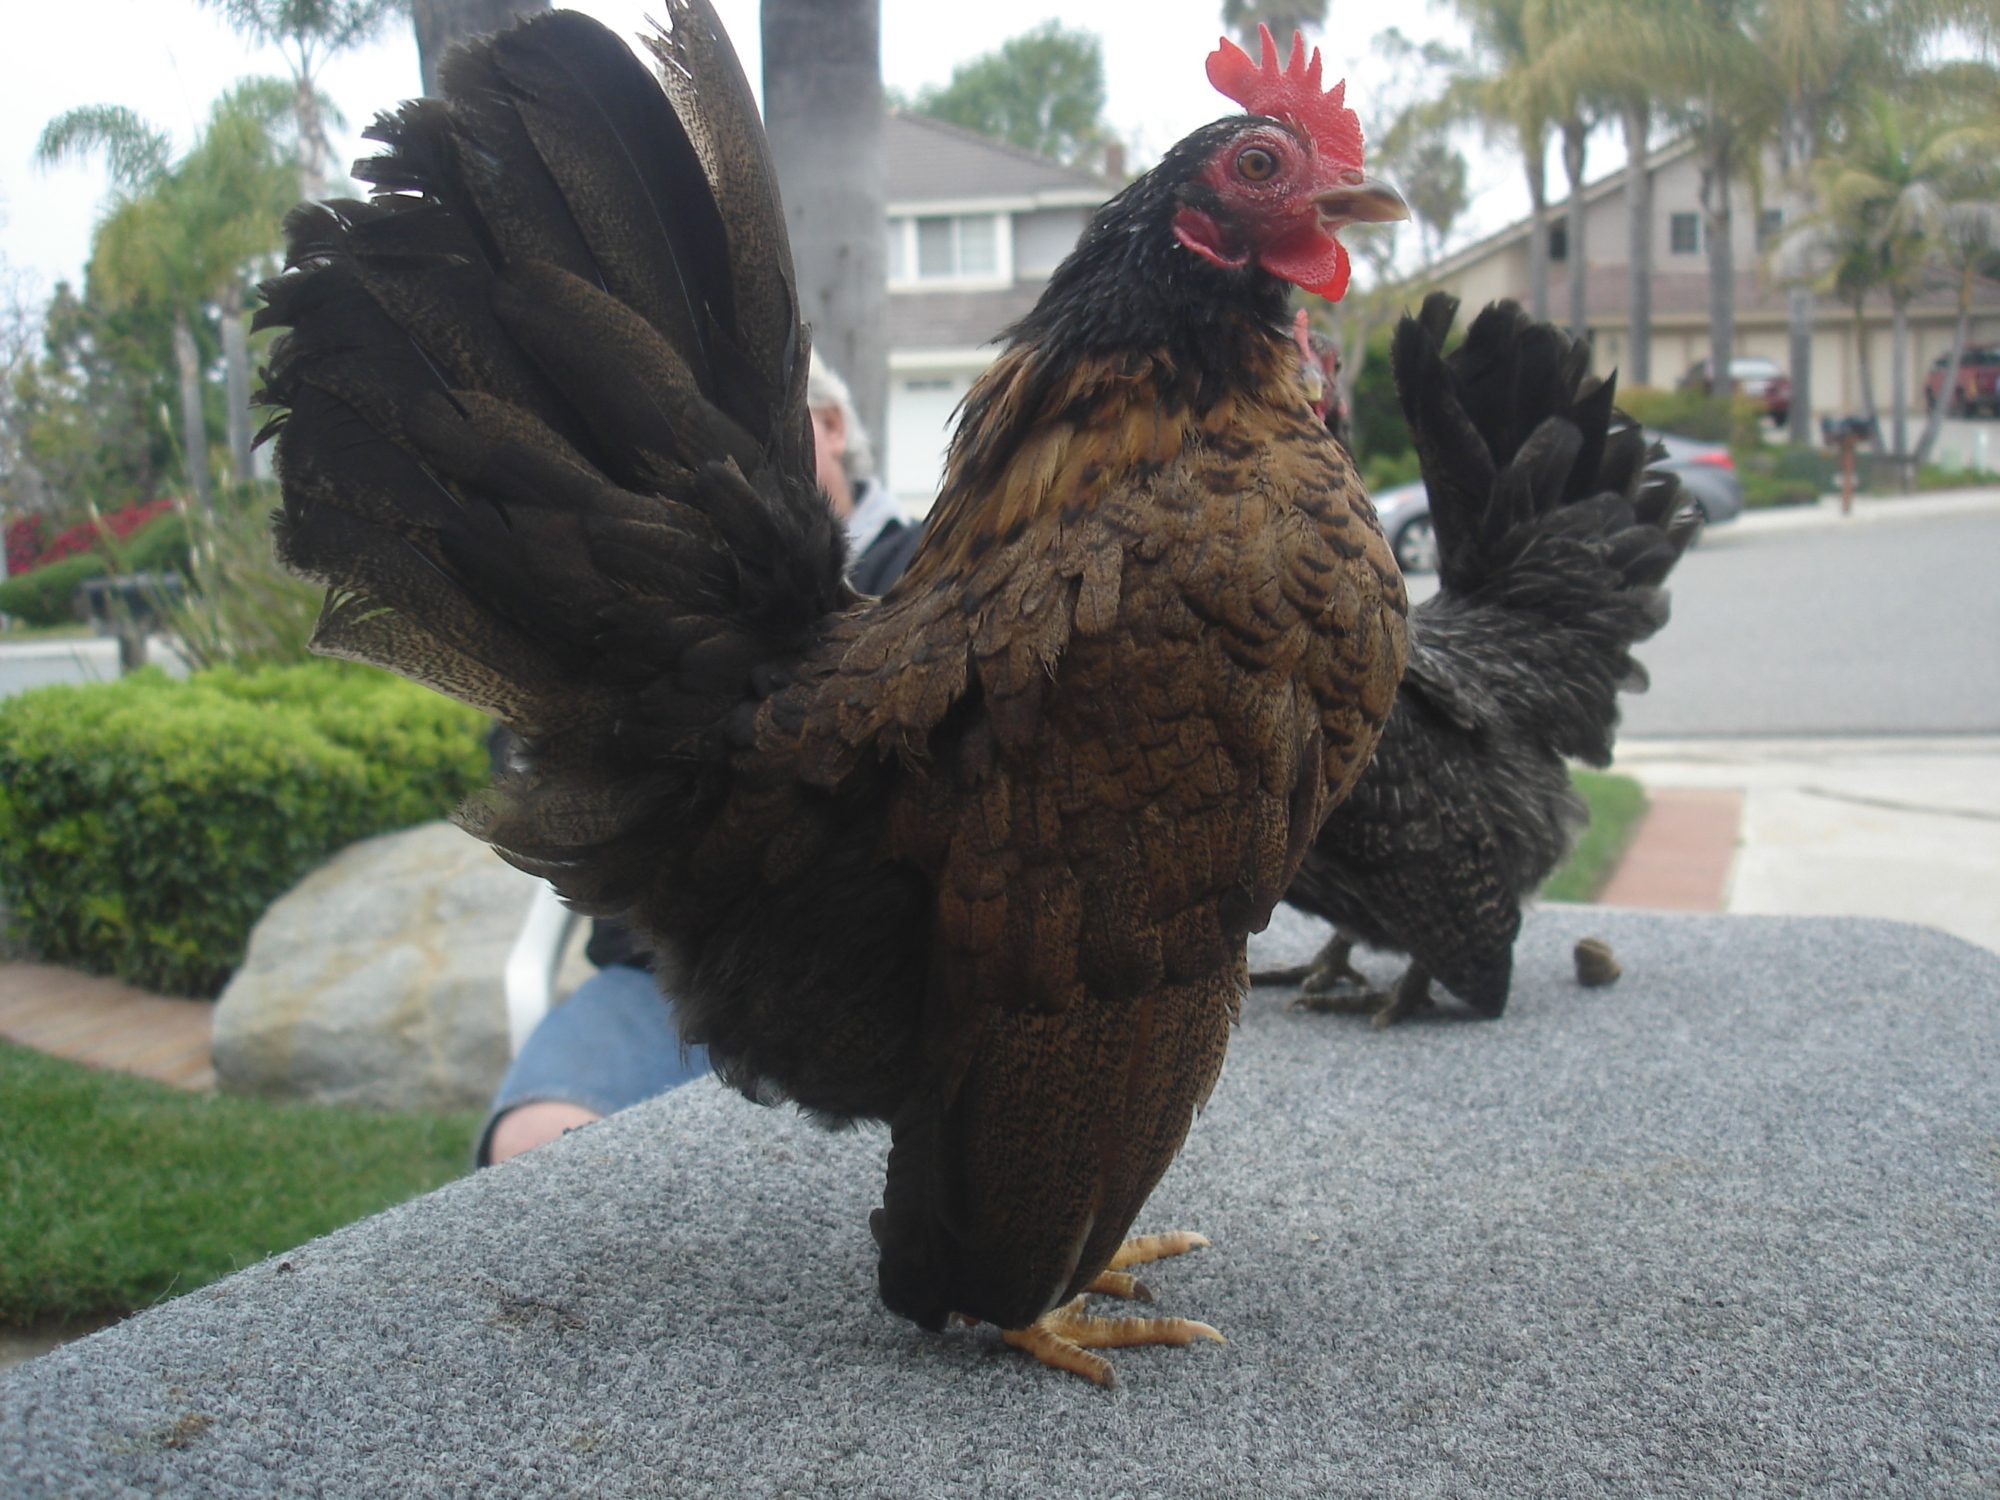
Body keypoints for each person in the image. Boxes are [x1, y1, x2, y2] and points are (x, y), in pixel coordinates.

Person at [478, 353, 921, 1165]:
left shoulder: (941, 565)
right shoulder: (652, 574)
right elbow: (529, 750)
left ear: (830, 425)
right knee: (535, 1143)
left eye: (759, 427)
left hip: (899, 986)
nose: (731, 456)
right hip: (664, 978)